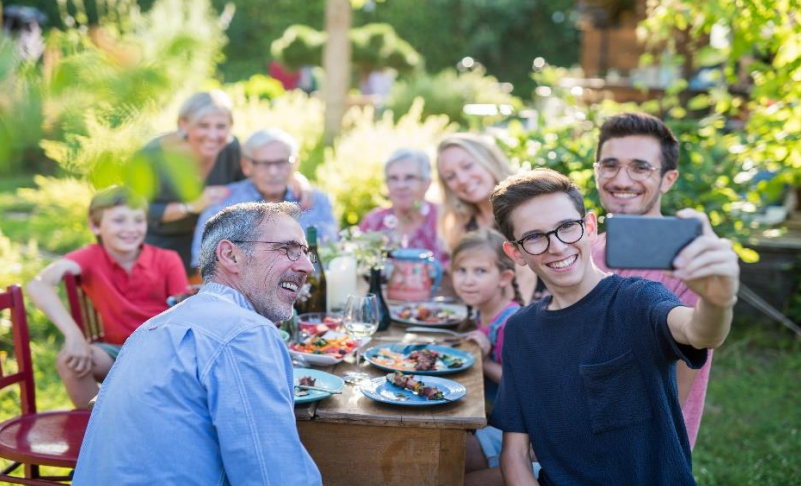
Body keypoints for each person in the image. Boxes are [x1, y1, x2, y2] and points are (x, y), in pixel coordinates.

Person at [489, 169, 738, 485]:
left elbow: (698, 331)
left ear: (590, 227)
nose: (557, 246)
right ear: (516, 253)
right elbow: (514, 453)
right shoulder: (521, 331)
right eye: (534, 237)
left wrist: (718, 301)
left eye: (567, 227)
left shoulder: (637, 300)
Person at [73, 202, 323, 485]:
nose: (306, 266)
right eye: (286, 249)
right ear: (230, 255)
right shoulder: (245, 332)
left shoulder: (151, 327)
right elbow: (272, 478)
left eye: (305, 252)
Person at [590, 112, 712, 448]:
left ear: (669, 179)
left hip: (642, 450)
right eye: (610, 165)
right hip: (566, 431)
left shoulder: (686, 262)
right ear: (596, 171)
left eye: (640, 167)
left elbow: (679, 385)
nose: (622, 179)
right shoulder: (583, 251)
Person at [26, 186, 188, 409]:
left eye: (138, 220)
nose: (130, 229)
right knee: (70, 360)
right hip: (117, 353)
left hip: (164, 353)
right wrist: (74, 335)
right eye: (119, 220)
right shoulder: (90, 257)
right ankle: (96, 427)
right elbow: (38, 284)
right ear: (95, 225)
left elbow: (185, 314)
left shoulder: (167, 259)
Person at [190, 128, 337, 269]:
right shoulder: (222, 205)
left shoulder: (317, 202)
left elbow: (331, 257)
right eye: (264, 164)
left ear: (295, 163)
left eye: (281, 163)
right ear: (246, 166)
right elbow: (204, 266)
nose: (273, 172)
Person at [140, 90, 244, 273]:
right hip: (160, 247)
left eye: (221, 126)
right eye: (203, 125)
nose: (213, 135)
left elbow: (258, 177)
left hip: (214, 248)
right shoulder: (154, 154)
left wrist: (295, 178)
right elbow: (138, 208)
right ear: (183, 124)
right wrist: (192, 206)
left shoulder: (231, 149)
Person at [450, 229, 523, 486]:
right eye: (461, 270)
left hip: (515, 436)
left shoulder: (512, 323)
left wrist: (483, 360)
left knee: (440, 460)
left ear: (504, 277)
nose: (468, 281)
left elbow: (524, 386)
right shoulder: (480, 315)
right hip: (483, 421)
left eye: (480, 271)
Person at [436, 133, 539, 302]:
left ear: (488, 160)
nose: (461, 179)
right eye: (450, 176)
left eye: (467, 166)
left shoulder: (524, 212)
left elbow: (525, 281)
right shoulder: (463, 225)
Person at [359, 148, 447, 264]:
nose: (401, 185)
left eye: (409, 178)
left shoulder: (445, 219)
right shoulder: (374, 222)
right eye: (393, 178)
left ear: (427, 183)